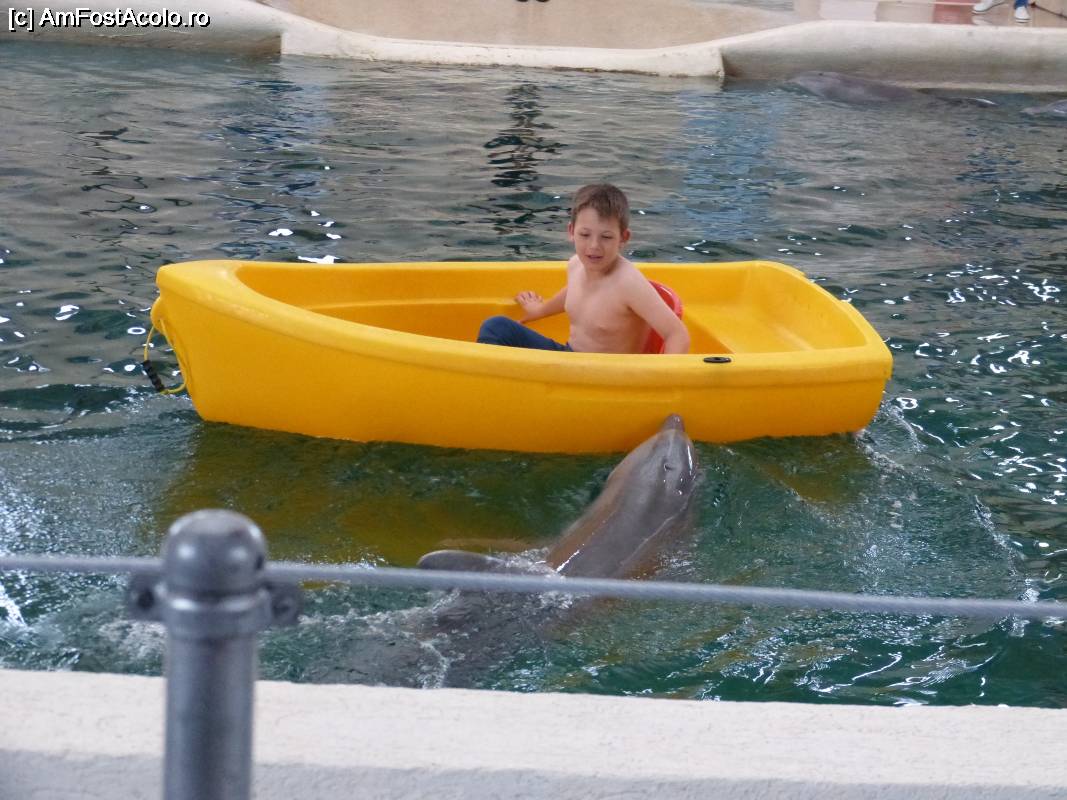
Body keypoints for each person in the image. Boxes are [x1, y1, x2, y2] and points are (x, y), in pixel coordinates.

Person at [477, 184, 691, 354]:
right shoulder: (576, 265)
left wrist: (658, 383)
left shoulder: (628, 283)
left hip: (603, 380)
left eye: (606, 237)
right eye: (585, 235)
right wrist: (539, 310)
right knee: (496, 327)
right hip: (570, 359)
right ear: (571, 231)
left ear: (623, 238)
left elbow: (677, 334)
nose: (594, 246)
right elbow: (575, 291)